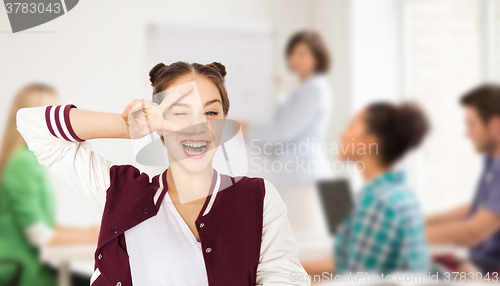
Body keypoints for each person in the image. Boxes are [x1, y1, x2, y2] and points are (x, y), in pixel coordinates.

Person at [16, 62, 309, 286]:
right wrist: (126, 127)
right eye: (179, 113)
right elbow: (31, 125)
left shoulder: (258, 197)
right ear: (157, 123)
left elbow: (284, 278)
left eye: (210, 113)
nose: (198, 127)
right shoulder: (120, 192)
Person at [302, 102, 430, 276]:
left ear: (370, 142)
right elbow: (344, 264)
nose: (342, 134)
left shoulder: (378, 202)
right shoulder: (399, 193)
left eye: (351, 126)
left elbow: (355, 278)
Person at [0, 84, 99, 286]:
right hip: (21, 272)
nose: (62, 123)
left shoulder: (28, 160)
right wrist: (89, 235)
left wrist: (88, 232)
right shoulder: (22, 164)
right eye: (53, 114)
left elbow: (40, 224)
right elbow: (40, 236)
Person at [247, 30, 333, 245]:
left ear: (317, 57)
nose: (295, 59)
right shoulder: (306, 89)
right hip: (303, 179)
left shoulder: (314, 88)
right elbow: (286, 121)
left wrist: (247, 127)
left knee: (303, 248)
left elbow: (284, 129)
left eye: (302, 53)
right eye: (292, 53)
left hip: (306, 180)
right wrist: (278, 91)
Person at [426, 84, 500, 275]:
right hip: (476, 266)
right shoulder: (492, 161)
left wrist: (403, 237)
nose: (467, 133)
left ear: (495, 124)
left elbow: (472, 233)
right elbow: (480, 207)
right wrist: (421, 221)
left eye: (471, 125)